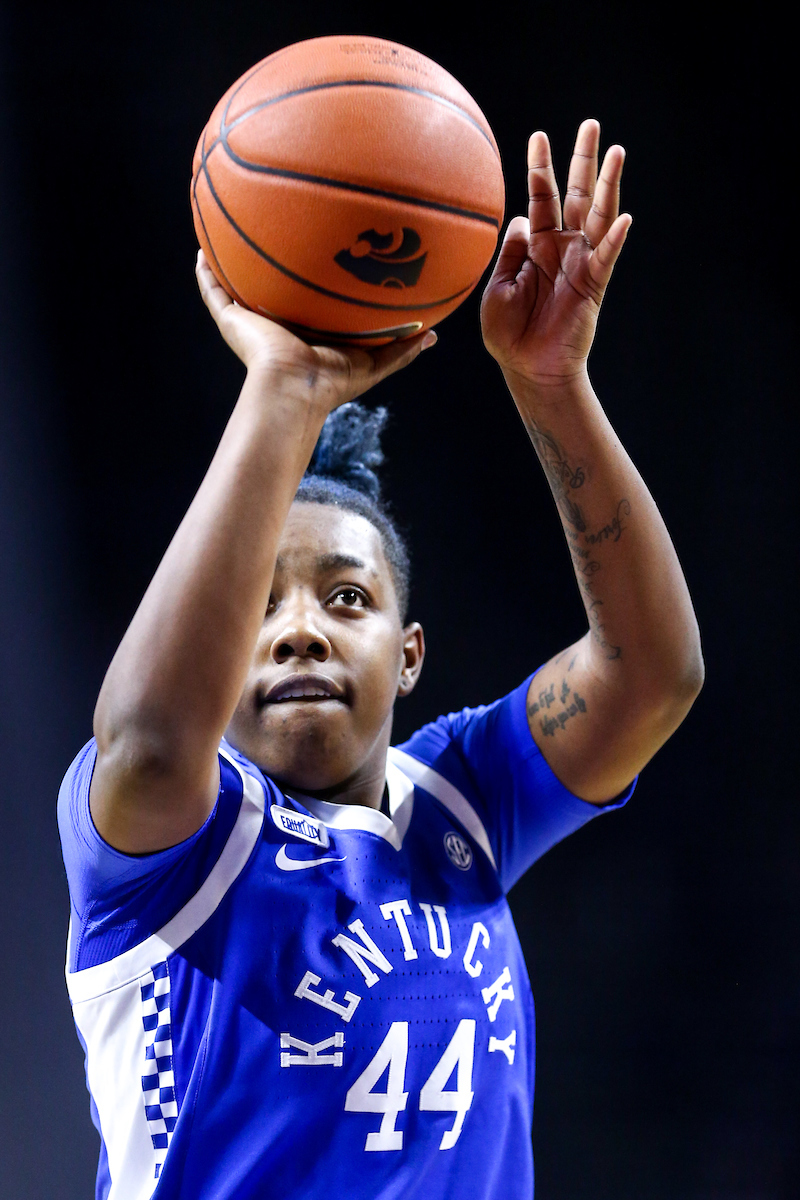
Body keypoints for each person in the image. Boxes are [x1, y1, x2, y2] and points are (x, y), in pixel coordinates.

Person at [58, 121, 703, 1199]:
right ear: (214, 642)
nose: (299, 628)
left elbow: (650, 675)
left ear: (409, 656)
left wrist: (551, 385)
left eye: (344, 598)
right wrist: (282, 385)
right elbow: (151, 737)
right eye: (258, 606)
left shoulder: (458, 800)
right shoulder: (171, 849)